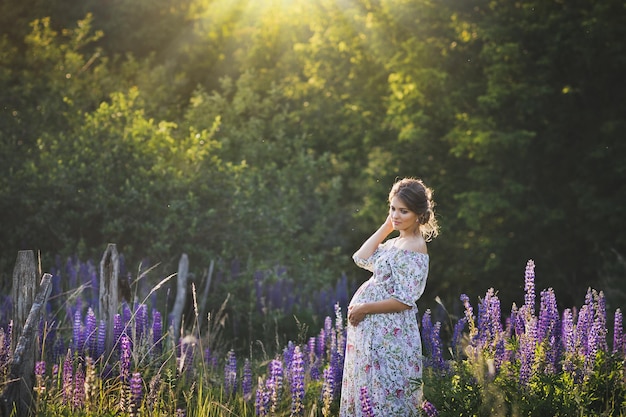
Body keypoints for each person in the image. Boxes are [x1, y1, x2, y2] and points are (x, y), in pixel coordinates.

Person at [339, 177, 439, 416]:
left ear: (419, 215)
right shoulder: (397, 242)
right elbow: (361, 257)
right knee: (369, 394)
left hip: (389, 336)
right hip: (374, 333)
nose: (396, 215)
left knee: (387, 395)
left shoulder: (414, 247)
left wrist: (364, 308)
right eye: (392, 208)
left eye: (403, 211)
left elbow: (404, 301)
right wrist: (387, 226)